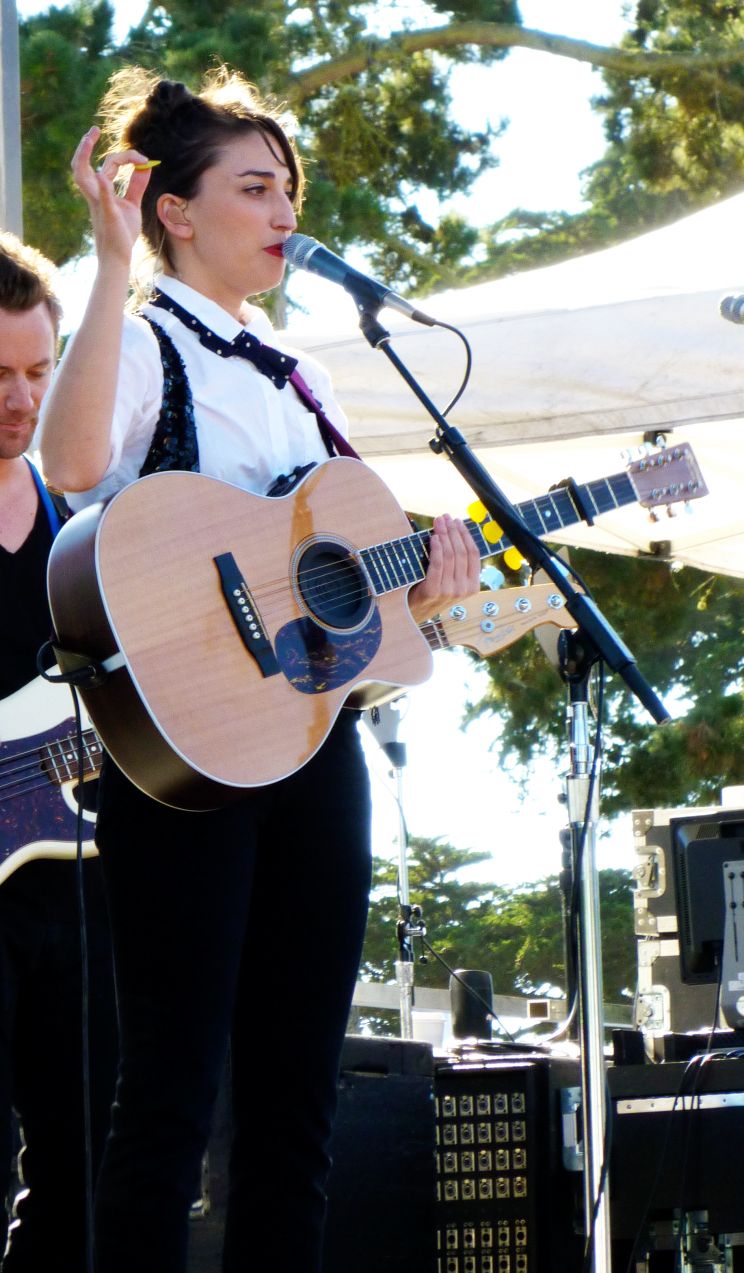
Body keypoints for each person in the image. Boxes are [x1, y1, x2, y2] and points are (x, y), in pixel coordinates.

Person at [39, 65, 481, 1273]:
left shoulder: (307, 381)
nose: (287, 210)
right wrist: (111, 260)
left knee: (300, 1094)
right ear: (175, 209)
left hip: (307, 744)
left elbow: (334, 625)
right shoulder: (135, 335)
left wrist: (427, 595)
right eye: (254, 187)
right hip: (178, 748)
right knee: (173, 1089)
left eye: (290, 187)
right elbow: (73, 463)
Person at [0, 233, 118, 1271]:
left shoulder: (72, 524)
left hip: (73, 889)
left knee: (85, 1179)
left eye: (39, 371)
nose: (21, 397)